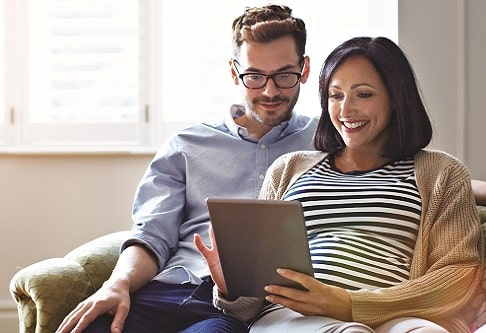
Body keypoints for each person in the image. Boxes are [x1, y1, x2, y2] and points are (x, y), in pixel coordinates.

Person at [56, 4, 317, 333]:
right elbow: (152, 235)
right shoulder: (187, 144)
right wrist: (117, 284)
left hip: (228, 309)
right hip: (164, 291)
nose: (269, 90)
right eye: (254, 76)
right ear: (234, 71)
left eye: (284, 75)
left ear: (304, 70)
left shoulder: (325, 142)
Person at [196, 37, 485, 333]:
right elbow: (248, 307)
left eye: (363, 94)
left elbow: (458, 276)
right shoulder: (288, 169)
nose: (346, 110)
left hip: (398, 314)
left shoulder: (441, 173)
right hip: (295, 316)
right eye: (336, 96)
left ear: (397, 99)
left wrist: (350, 304)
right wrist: (233, 285)